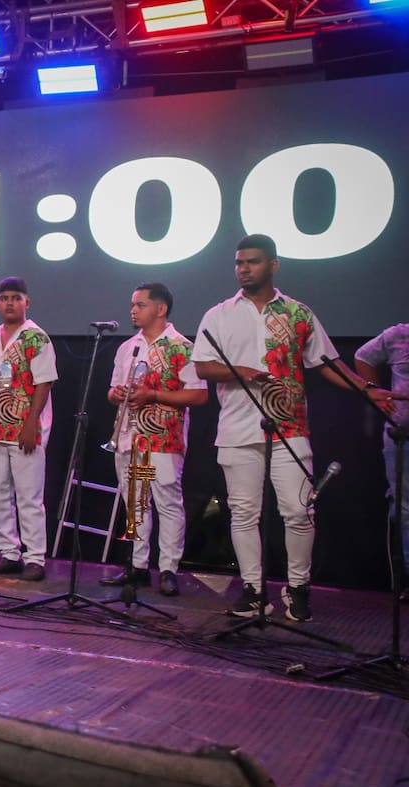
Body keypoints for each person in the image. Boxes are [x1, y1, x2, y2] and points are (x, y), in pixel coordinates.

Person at [192, 233, 391, 621]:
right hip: (237, 426)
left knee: (300, 511)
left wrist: (366, 389)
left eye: (252, 262)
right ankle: (252, 590)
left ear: (273, 265)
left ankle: (298, 589)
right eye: (239, 262)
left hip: (290, 425)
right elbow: (201, 366)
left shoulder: (298, 313)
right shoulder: (218, 314)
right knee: (244, 512)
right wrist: (244, 372)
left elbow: (327, 362)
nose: (244, 269)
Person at [98, 282, 207, 596]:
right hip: (130, 437)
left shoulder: (183, 347)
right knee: (136, 505)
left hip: (162, 439)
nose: (133, 310)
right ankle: (138, 566)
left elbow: (199, 395)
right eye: (133, 304)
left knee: (167, 503)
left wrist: (155, 395)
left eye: (140, 304)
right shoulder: (127, 347)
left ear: (160, 309)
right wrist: (116, 394)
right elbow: (111, 391)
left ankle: (169, 568)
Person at [0, 277, 56, 581]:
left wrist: (32, 423)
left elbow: (44, 382)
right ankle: (9, 553)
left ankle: (35, 558)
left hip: (23, 428)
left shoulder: (37, 338)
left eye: (16, 297)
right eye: (4, 298)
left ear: (26, 303)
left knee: (29, 497)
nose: (9, 303)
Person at [355, 323, 409, 603]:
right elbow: (363, 357)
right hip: (402, 437)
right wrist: (375, 392)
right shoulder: (400, 334)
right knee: (404, 509)